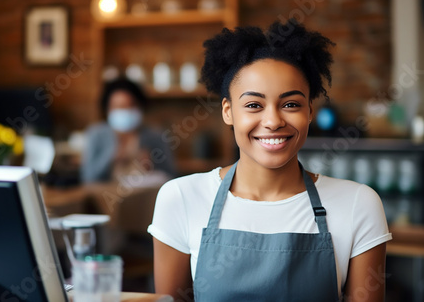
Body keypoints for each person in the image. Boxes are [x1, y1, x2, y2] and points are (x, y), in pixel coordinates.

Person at [148, 20, 392, 301]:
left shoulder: (358, 204)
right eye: (254, 105)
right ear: (228, 111)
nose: (274, 121)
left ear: (310, 111)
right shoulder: (181, 198)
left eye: (291, 104)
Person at [80, 78, 176, 183]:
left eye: (130, 106)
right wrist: (111, 157)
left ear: (140, 107)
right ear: (108, 109)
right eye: (118, 106)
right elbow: (87, 178)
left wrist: (151, 165)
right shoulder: (96, 134)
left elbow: (171, 176)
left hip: (145, 196)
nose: (124, 111)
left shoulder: (155, 136)